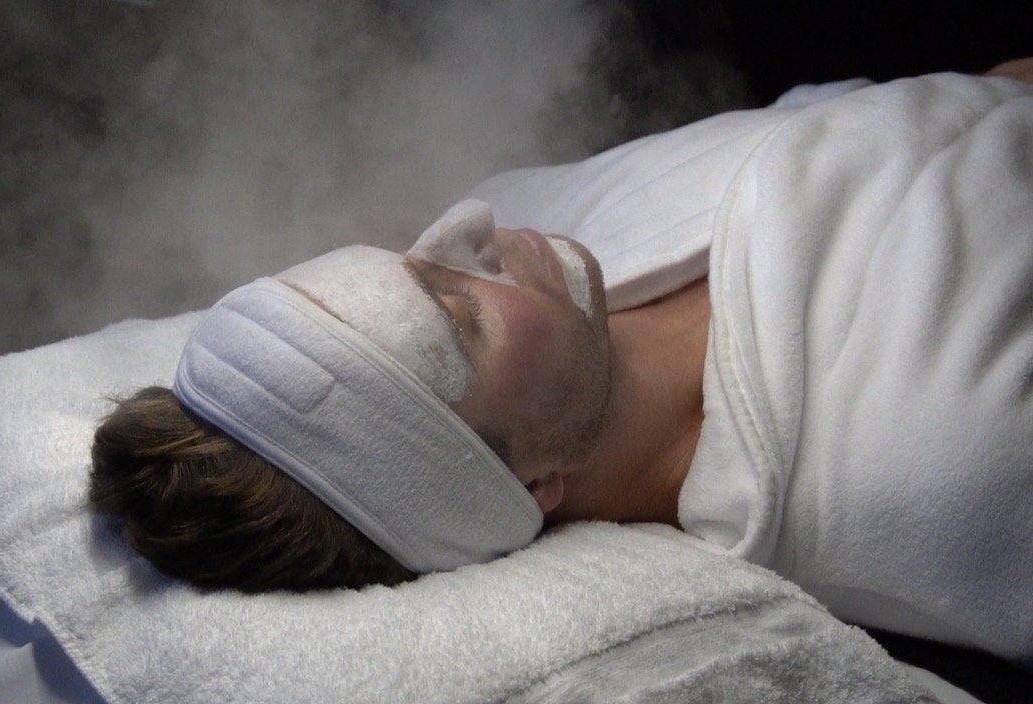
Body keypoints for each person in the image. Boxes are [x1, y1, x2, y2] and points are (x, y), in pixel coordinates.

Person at [89, 63, 1033, 664]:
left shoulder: (566, 224)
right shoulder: (940, 459)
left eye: (404, 255)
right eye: (459, 316)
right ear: (533, 486)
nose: (470, 225)